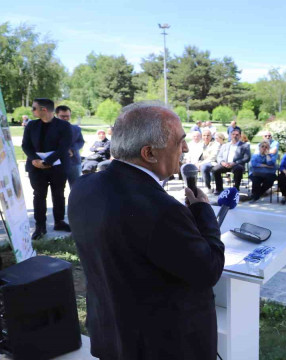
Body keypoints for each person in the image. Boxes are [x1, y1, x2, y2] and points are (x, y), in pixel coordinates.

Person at [69, 102, 225, 360]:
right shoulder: (162, 210)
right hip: (160, 345)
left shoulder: (84, 186)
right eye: (179, 141)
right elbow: (208, 270)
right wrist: (203, 211)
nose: (185, 148)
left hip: (111, 333)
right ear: (149, 153)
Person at [22, 98, 72, 239]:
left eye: (34, 108)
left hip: (57, 167)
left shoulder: (63, 125)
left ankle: (59, 221)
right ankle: (40, 226)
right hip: (36, 167)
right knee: (39, 195)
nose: (32, 111)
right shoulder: (31, 125)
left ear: (44, 109)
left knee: (58, 194)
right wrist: (35, 160)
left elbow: (64, 147)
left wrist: (47, 161)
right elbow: (26, 145)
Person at [212, 128, 250, 194]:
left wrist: (235, 163)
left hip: (237, 165)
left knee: (238, 169)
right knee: (215, 169)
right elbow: (219, 156)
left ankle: (235, 188)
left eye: (237, 135)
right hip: (225, 164)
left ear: (240, 136)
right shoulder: (225, 145)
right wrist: (222, 162)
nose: (235, 136)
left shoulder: (244, 146)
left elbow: (247, 158)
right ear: (230, 135)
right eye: (233, 134)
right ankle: (219, 189)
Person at [56, 105, 85, 187]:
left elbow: (80, 142)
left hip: (74, 162)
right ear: (56, 115)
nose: (65, 118)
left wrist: (72, 149)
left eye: (67, 116)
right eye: (62, 116)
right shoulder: (50, 130)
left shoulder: (76, 129)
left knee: (76, 188)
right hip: (57, 163)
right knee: (58, 189)